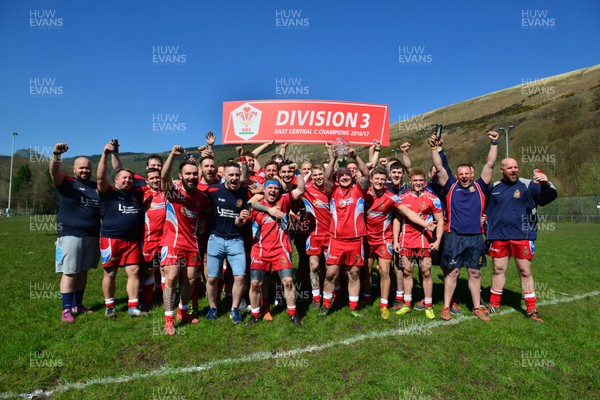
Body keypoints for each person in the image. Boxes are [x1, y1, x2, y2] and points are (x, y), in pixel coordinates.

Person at [431, 131, 500, 321]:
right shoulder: (450, 186)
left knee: (475, 272)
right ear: (457, 175)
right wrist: (434, 148)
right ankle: (446, 307)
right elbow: (438, 166)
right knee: (453, 272)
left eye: (466, 173)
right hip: (454, 236)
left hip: (476, 237)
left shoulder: (480, 186)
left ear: (472, 174)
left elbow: (490, 164)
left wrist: (494, 142)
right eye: (460, 174)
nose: (463, 177)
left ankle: (477, 307)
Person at [485, 159, 557, 323]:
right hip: (498, 236)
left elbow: (548, 197)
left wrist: (546, 184)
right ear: (502, 170)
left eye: (515, 167)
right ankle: (494, 304)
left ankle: (531, 309)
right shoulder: (494, 187)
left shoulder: (529, 185)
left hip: (523, 236)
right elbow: (483, 207)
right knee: (498, 269)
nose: (513, 170)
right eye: (509, 167)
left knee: (525, 270)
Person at [366, 167, 437, 319]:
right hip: (365, 237)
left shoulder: (392, 197)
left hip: (384, 239)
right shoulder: (363, 194)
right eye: (376, 178)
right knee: (365, 271)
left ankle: (384, 305)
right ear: (371, 179)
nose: (379, 181)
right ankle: (364, 299)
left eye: (381, 179)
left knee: (385, 270)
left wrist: (426, 225)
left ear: (386, 181)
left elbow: (408, 213)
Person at [237, 173, 307, 326]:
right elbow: (239, 222)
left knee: (288, 281)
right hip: (260, 250)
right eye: (270, 187)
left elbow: (301, 189)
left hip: (280, 248)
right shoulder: (256, 204)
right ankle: (255, 315)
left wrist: (297, 172)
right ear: (265, 190)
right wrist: (240, 218)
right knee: (255, 283)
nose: (273, 191)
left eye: (276, 188)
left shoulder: (284, 200)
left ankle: (293, 313)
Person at [160, 146, 211, 335]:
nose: (191, 177)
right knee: (172, 277)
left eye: (194, 174)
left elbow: (209, 213)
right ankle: (168, 320)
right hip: (172, 242)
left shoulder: (202, 198)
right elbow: (164, 178)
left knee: (190, 279)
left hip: (192, 244)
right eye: (187, 174)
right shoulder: (174, 192)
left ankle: (183, 312)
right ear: (180, 176)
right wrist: (172, 155)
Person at [50, 143, 101, 322]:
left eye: (88, 168)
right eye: (82, 168)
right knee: (70, 271)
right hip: (70, 234)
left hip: (92, 235)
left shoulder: (96, 188)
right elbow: (53, 172)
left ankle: (77, 304)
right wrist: (56, 155)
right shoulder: (66, 183)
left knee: (83, 271)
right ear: (74, 170)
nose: (85, 170)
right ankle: (66, 310)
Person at [320, 145, 370, 317]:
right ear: (337, 178)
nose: (344, 178)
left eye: (347, 175)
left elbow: (366, 175)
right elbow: (326, 177)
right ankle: (326, 304)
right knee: (331, 273)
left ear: (351, 177)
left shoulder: (358, 189)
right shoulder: (332, 190)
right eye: (340, 176)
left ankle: (353, 306)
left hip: (356, 240)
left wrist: (355, 156)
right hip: (336, 240)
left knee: (354, 273)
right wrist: (333, 158)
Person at [97, 141, 145, 318]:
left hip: (131, 240)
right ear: (115, 180)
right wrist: (105, 154)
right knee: (110, 273)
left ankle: (133, 306)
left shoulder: (136, 194)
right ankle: (110, 306)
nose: (127, 180)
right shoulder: (108, 192)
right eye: (123, 178)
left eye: (130, 178)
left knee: (134, 271)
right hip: (111, 239)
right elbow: (101, 177)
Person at [205, 161, 252, 323]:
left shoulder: (246, 194)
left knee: (240, 277)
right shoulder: (213, 190)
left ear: (240, 175)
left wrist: (240, 220)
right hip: (215, 239)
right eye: (230, 175)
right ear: (223, 175)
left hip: (236, 240)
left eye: (236, 175)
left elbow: (243, 220)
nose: (234, 178)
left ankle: (234, 310)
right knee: (212, 278)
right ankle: (213, 308)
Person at [394, 169, 444, 319]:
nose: (418, 183)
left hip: (425, 241)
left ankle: (428, 305)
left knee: (426, 272)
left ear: (424, 182)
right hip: (406, 241)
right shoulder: (402, 198)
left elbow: (440, 220)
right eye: (415, 180)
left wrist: (438, 240)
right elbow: (397, 219)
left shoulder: (432, 198)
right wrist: (395, 240)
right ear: (410, 181)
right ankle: (407, 304)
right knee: (407, 271)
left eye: (420, 181)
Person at [302, 163, 333, 310]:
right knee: (314, 266)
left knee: (331, 267)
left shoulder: (331, 189)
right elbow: (300, 183)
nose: (318, 177)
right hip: (314, 234)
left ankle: (332, 293)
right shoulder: (307, 189)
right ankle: (316, 297)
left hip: (330, 234)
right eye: (315, 175)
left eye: (320, 174)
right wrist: (309, 174)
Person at [140, 168, 166, 312]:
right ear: (147, 180)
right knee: (149, 271)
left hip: (165, 240)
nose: (155, 180)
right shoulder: (142, 195)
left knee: (164, 270)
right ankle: (147, 301)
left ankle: (163, 299)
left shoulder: (166, 194)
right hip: (148, 240)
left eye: (158, 177)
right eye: (152, 178)